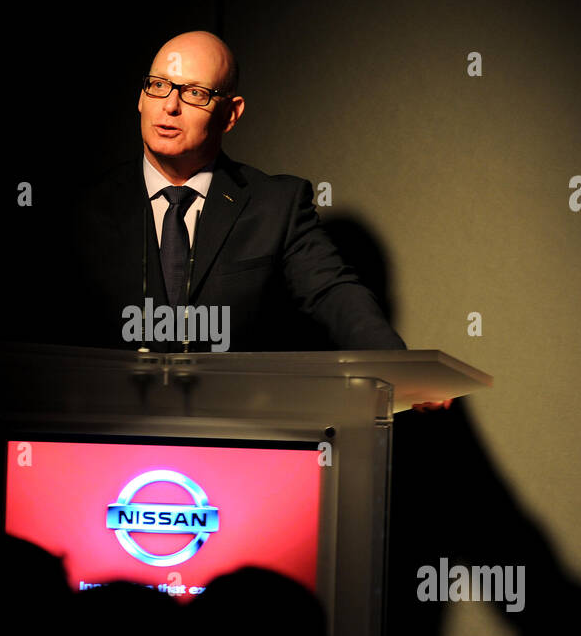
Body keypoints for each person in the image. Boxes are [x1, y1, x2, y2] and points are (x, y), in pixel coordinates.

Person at [68, 31, 449, 411]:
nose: (170, 107)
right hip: (110, 429)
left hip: (232, 435)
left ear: (231, 114)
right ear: (140, 96)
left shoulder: (276, 206)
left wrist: (400, 368)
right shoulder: (82, 208)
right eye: (158, 86)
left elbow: (331, 291)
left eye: (195, 93)